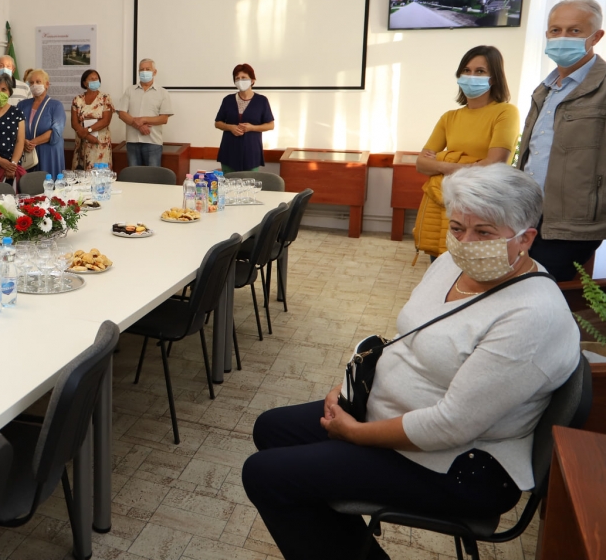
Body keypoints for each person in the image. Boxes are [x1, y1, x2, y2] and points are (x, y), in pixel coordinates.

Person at [241, 164, 580, 560]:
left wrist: (355, 433)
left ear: (526, 238)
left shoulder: (532, 316)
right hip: (398, 413)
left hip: (459, 464)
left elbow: (451, 425)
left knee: (265, 474)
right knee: (271, 429)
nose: (465, 242)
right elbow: (409, 341)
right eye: (457, 228)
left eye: (484, 232)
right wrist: (348, 390)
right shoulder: (454, 264)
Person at [518, 0, 606, 281]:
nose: (562, 37)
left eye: (574, 30)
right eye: (556, 30)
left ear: (596, 37)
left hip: (572, 224)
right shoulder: (545, 88)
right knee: (516, 289)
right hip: (527, 213)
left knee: (542, 290)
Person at [412, 46, 519, 260]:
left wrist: (441, 162)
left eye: (480, 71)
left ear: (494, 78)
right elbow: (421, 163)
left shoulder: (506, 112)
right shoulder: (449, 117)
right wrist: (466, 165)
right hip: (449, 205)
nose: (471, 76)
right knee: (441, 265)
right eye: (466, 70)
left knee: (474, 268)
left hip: (483, 206)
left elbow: (494, 164)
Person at [214, 64, 275, 173]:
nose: (240, 81)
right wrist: (230, 127)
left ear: (252, 80)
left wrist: (252, 128)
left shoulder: (261, 101)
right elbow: (218, 123)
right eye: (237, 78)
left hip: (251, 152)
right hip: (229, 152)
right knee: (228, 182)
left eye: (244, 78)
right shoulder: (228, 100)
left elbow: (270, 125)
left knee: (250, 182)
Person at [116, 58, 174, 167]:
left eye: (148, 69)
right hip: (132, 141)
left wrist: (144, 119)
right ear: (138, 72)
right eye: (142, 69)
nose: (144, 72)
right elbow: (121, 113)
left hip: (153, 142)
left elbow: (164, 119)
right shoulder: (130, 90)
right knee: (134, 175)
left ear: (154, 72)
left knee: (152, 175)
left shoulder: (163, 93)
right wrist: (139, 125)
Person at [17, 69, 65, 177]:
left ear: (47, 84)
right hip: (27, 153)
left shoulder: (56, 106)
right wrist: (23, 141)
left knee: (48, 182)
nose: (34, 85)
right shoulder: (22, 105)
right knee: (29, 183)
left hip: (48, 152)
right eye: (31, 82)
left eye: (38, 82)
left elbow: (56, 131)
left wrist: (32, 143)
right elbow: (15, 128)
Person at [70, 69, 114, 170]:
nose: (95, 81)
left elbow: (106, 121)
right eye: (91, 79)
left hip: (99, 143)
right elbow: (74, 123)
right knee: (81, 174)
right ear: (84, 83)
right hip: (82, 142)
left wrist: (88, 130)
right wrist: (87, 136)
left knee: (99, 173)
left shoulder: (105, 98)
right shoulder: (77, 99)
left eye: (96, 79)